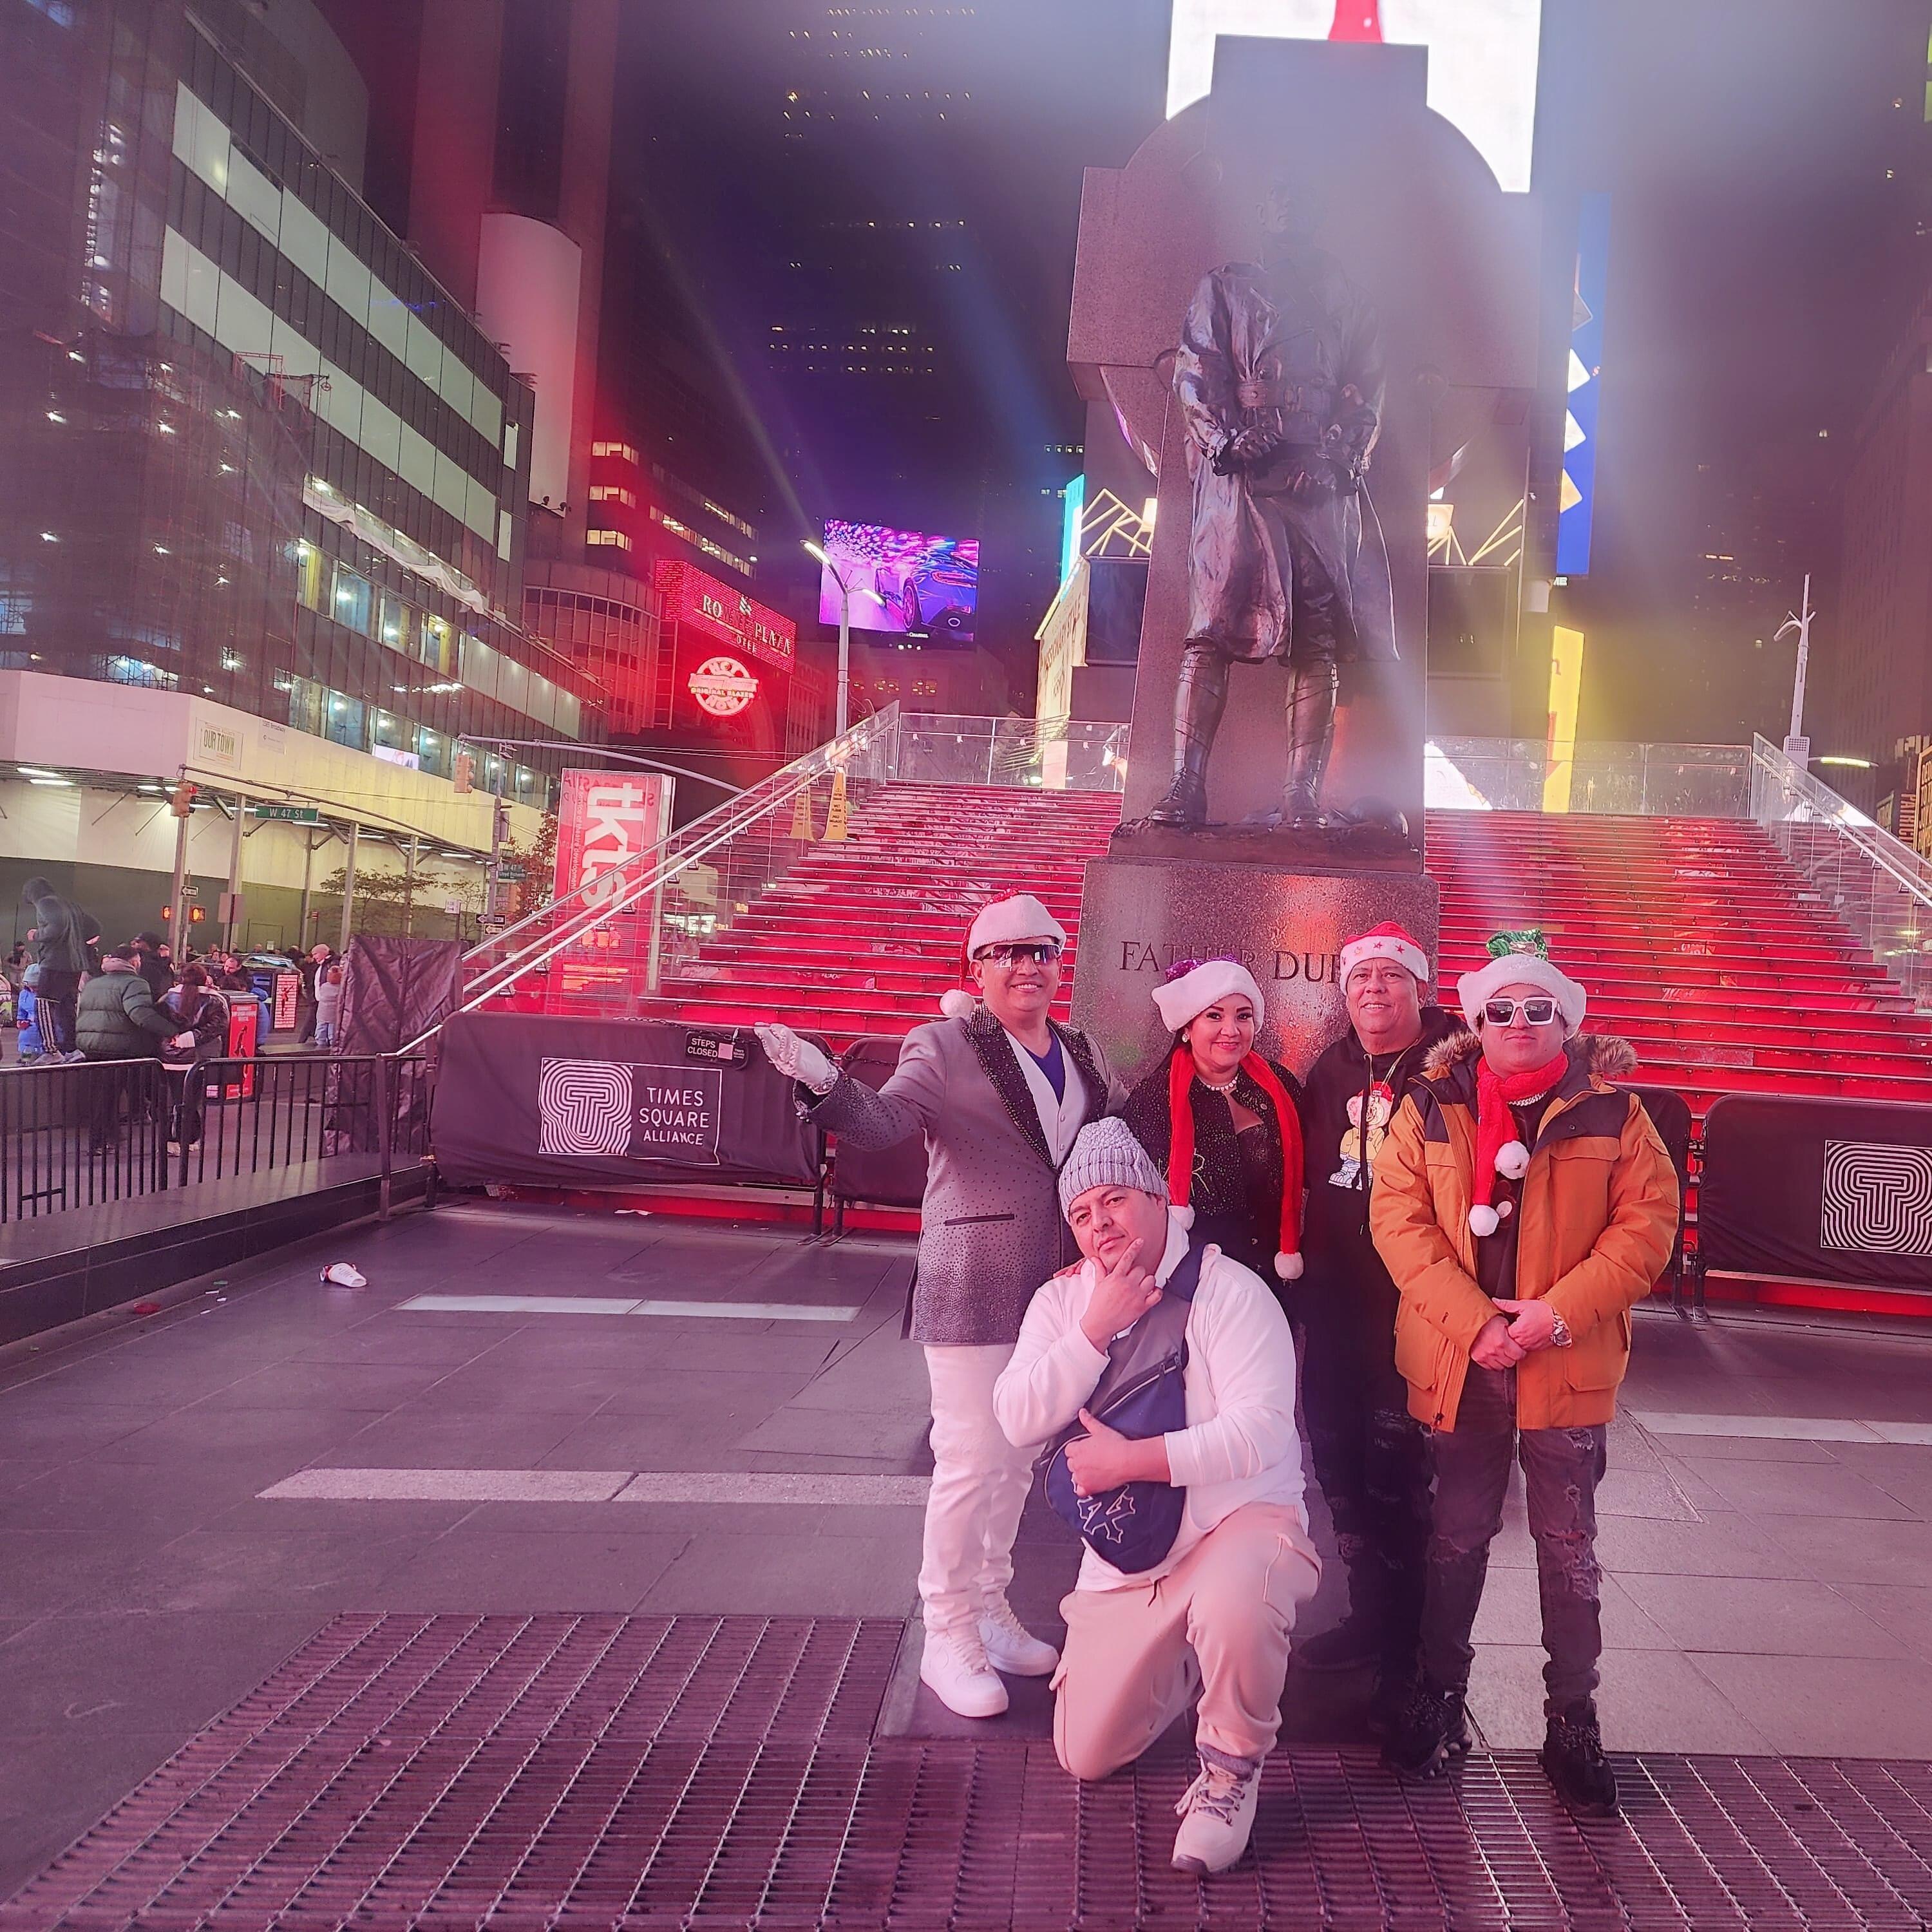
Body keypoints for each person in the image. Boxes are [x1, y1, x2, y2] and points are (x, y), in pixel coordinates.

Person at [755, 894, 1127, 1719]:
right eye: (1007, 953)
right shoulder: (943, 1044)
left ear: (1060, 962)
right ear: (977, 969)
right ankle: (946, 1632)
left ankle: (989, 1606)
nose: (1027, 966)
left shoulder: (1082, 1048)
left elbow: (1110, 1137)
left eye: (1042, 951)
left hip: (1058, 1283)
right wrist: (822, 1078)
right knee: (970, 1458)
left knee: (1019, 1456)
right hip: (976, 1278)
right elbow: (885, 1122)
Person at [1369, 933, 1680, 1817]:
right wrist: (1477, 1324)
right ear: (1477, 1020)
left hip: (1564, 1362)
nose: (1518, 1022)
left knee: (1568, 1545)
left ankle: (1572, 1719)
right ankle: (1439, 1694)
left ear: (1566, 1021)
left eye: (1538, 1008)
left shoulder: (1616, 1114)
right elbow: (1398, 1224)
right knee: (1455, 1536)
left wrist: (1555, 1315)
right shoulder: (1429, 1106)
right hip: (1461, 1362)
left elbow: (1646, 1230)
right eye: (1500, 1009)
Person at [993, 1118, 1318, 1875]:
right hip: (1131, 1553)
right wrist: (1092, 1332)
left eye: (1115, 1200)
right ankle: (1185, 1654)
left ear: (1155, 1197)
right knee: (1085, 1755)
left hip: (1238, 1524)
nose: (1100, 1224)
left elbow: (1264, 1433)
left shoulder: (1232, 1291)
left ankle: (1230, 1770)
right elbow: (1015, 1417)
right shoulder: (1062, 1302)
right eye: (1082, 1213)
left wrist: (1131, 1461)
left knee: (1239, 1600)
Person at [1290, 923, 1463, 1723]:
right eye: (1361, 979)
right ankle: (1367, 1615)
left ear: (1419, 988)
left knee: (1401, 1475)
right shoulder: (1330, 1068)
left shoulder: (1452, 1069)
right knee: (1339, 1463)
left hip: (1413, 1306)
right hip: (1334, 1301)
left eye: (1391, 977)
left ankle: (1411, 1648)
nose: (1374, 990)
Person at [1121, 958, 1305, 1287]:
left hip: (1271, 1275)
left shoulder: (1281, 1086)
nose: (1231, 1030)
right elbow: (1126, 1195)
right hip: (1189, 1280)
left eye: (1243, 1016)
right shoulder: (1152, 1101)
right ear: (1187, 1028)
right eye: (1214, 1016)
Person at [76, 946, 187, 1150]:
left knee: (102, 1096)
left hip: (91, 1045)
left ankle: (105, 1138)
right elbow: (140, 1014)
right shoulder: (135, 983)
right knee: (115, 1096)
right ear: (134, 962)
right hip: (120, 1048)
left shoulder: (94, 983)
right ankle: (102, 1140)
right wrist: (171, 1031)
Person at [19, 875, 98, 1059]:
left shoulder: (45, 902)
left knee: (43, 1004)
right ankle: (72, 1050)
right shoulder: (71, 905)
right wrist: (78, 942)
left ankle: (51, 1051)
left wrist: (36, 935)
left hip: (55, 963)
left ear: (32, 892)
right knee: (66, 1006)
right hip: (75, 964)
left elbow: (57, 927)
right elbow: (95, 927)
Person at [158, 964, 231, 1144]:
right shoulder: (215, 999)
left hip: (170, 1056)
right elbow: (219, 1025)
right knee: (192, 1100)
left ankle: (172, 1139)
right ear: (205, 979)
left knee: (174, 1098)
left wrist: (175, 1039)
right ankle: (188, 1138)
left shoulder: (167, 998)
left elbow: (157, 1022)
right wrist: (191, 1038)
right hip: (200, 1057)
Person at [296, 942, 333, 1045]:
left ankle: (306, 1041)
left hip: (323, 1000)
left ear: (323, 953)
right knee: (318, 1022)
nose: (314, 957)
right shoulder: (322, 965)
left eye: (315, 954)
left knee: (319, 1022)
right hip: (318, 999)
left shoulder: (328, 965)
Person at [130, 931, 173, 1003]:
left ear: (147, 944)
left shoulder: (144, 963)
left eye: (138, 942)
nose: (135, 944)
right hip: (161, 1004)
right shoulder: (166, 965)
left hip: (144, 1002)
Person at [314, 961, 344, 1048]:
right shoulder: (341, 988)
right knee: (332, 1028)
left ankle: (320, 1041)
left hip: (322, 1012)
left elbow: (319, 995)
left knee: (321, 1027)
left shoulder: (324, 986)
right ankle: (332, 1041)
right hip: (334, 1013)